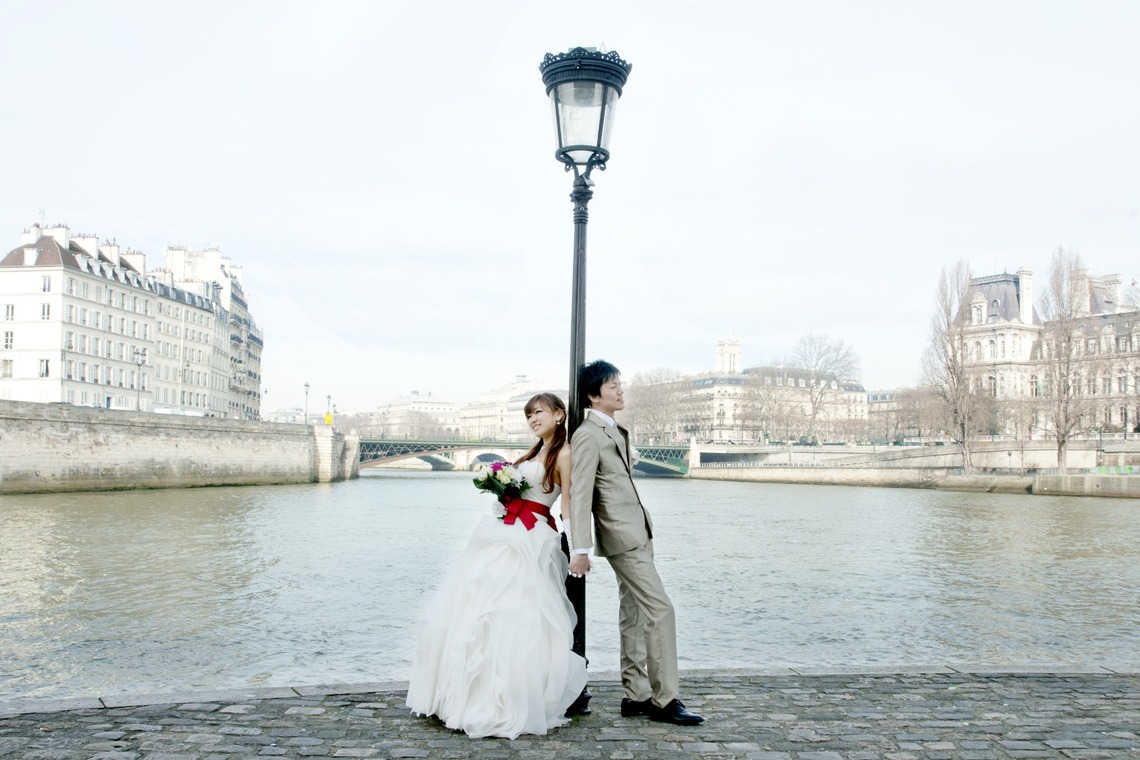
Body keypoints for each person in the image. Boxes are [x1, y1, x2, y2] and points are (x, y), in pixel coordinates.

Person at [406, 393, 588, 739]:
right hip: (508, 531)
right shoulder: (534, 451)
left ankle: (507, 697)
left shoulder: (563, 453)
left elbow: (568, 504)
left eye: (539, 412)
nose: (533, 419)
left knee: (513, 612)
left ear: (560, 414)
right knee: (479, 605)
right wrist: (504, 501)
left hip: (532, 537)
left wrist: (579, 547)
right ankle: (470, 692)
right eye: (529, 415)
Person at [568, 360, 704, 725]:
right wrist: (580, 549)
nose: (621, 390)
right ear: (594, 395)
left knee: (635, 615)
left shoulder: (613, 430)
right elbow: (580, 496)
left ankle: (636, 695)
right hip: (623, 537)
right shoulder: (587, 434)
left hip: (639, 532)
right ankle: (665, 699)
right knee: (662, 610)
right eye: (613, 386)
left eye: (620, 384)